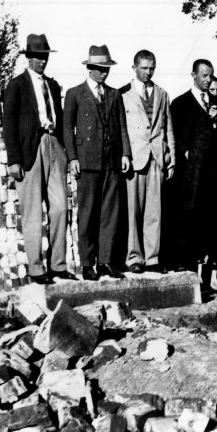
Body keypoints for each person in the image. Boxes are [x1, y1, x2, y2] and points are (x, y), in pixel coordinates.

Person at [2, 34, 74, 284]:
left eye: (44, 56)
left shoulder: (52, 86)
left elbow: (62, 119)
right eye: (36, 57)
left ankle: (58, 265)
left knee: (60, 207)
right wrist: (14, 160)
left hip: (54, 145)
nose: (41, 61)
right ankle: (36, 269)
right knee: (32, 212)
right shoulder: (17, 85)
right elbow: (9, 124)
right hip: (30, 151)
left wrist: (67, 152)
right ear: (28, 58)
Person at [63, 45, 132, 280]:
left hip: (112, 162)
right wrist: (72, 157)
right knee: (88, 213)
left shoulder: (114, 95)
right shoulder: (75, 94)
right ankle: (86, 264)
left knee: (109, 214)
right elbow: (66, 128)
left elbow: (122, 126)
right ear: (90, 68)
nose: (104, 73)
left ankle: (104, 262)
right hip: (87, 162)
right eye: (100, 68)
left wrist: (125, 154)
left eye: (107, 69)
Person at [167, 59, 217, 271]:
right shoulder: (180, 104)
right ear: (193, 75)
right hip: (192, 172)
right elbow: (176, 137)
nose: (207, 80)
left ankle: (213, 259)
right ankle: (183, 260)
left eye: (211, 76)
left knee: (214, 215)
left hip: (215, 171)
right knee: (189, 214)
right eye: (204, 75)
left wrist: (214, 120)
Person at [118, 50, 175, 274]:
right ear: (134, 68)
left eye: (151, 68)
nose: (148, 72)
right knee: (134, 211)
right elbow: (121, 128)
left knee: (154, 212)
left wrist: (171, 161)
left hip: (157, 158)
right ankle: (134, 257)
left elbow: (167, 127)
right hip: (134, 159)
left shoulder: (162, 94)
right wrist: (124, 155)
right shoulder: (123, 93)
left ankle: (152, 258)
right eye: (143, 68)